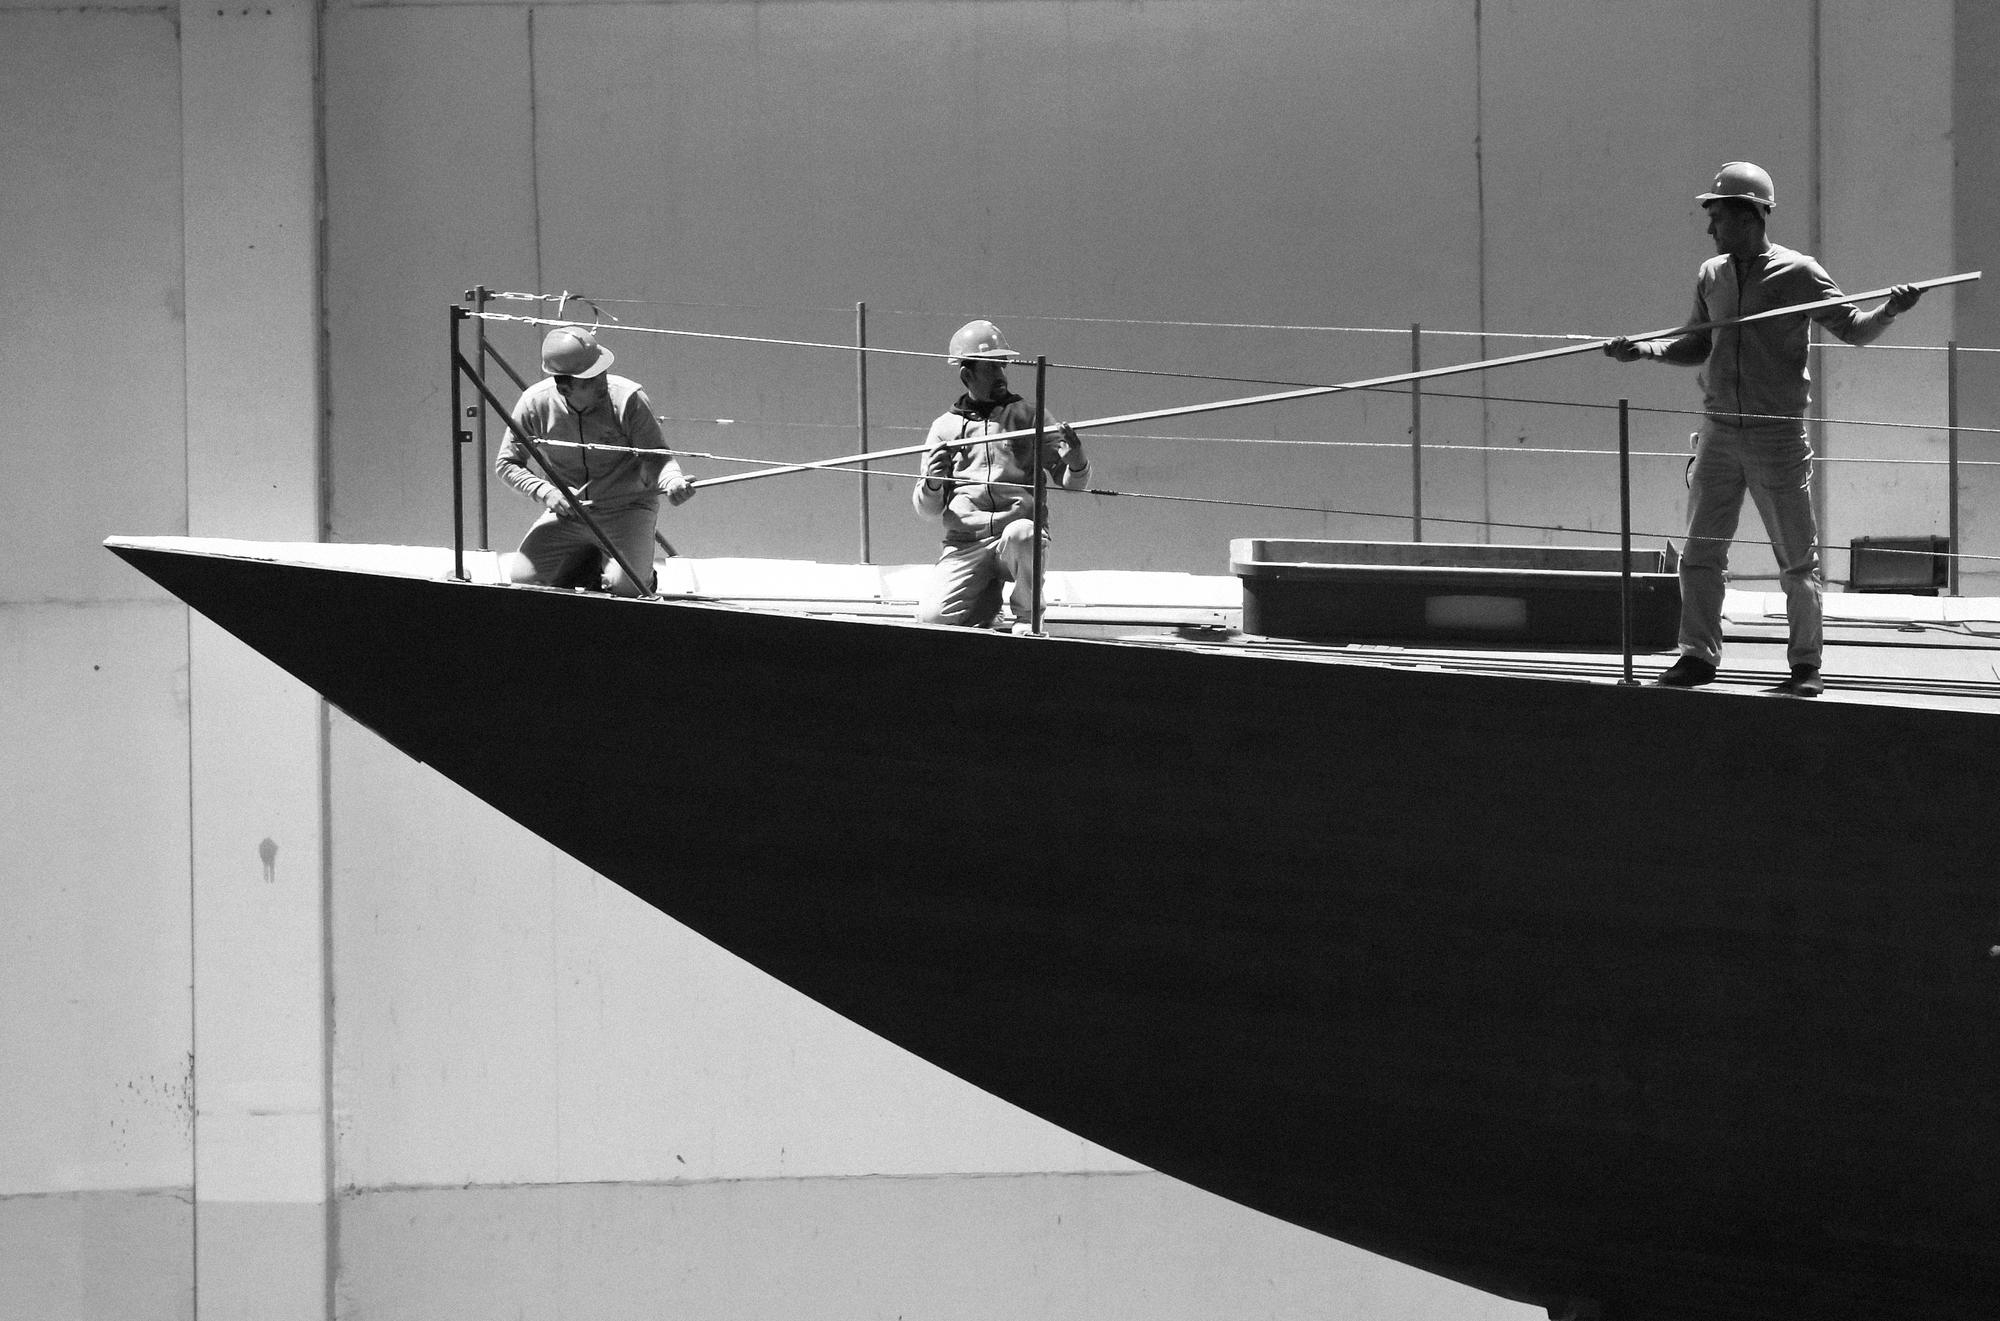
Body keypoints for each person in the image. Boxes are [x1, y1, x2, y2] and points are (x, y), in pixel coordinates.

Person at [1604, 162, 1923, 697]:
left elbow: (1856, 330)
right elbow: (1697, 342)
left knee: (1797, 558)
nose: (1710, 229)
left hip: (1777, 435)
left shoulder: (1800, 273)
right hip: (1719, 432)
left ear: (1750, 216)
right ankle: (1698, 656)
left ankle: (1805, 666)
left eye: (1718, 216)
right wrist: (1647, 350)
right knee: (1700, 552)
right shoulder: (1712, 274)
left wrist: (1891, 309)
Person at [912, 319, 1093, 630]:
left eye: (1002, 365)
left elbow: (1071, 481)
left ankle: (1028, 617)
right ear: (966, 374)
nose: (1001, 375)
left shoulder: (1029, 416)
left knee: (1025, 532)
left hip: (1015, 537)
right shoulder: (944, 428)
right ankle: (985, 605)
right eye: (991, 367)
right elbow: (927, 510)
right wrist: (933, 483)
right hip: (965, 542)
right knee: (932, 620)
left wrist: (1077, 461)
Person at [497, 325, 695, 596]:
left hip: (627, 509)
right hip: (568, 514)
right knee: (525, 580)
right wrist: (546, 493)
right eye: (590, 379)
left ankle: (636, 575)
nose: (602, 380)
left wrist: (673, 481)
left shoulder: (629, 399)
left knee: (627, 590)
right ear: (564, 386)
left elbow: (656, 458)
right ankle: (587, 564)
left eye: (601, 371)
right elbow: (507, 464)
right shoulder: (534, 404)